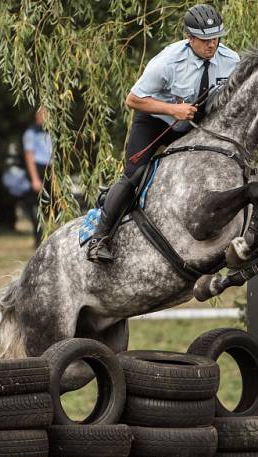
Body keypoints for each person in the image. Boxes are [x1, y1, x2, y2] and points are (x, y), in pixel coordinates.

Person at [86, 4, 240, 263]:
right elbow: (133, 100)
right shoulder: (168, 61)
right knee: (135, 174)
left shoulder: (232, 60)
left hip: (195, 125)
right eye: (205, 40)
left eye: (216, 38)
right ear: (190, 38)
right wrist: (173, 109)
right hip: (156, 121)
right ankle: (99, 238)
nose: (212, 45)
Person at [22, 106, 54, 247]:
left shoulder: (50, 133)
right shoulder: (30, 133)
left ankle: (49, 237)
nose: (46, 117)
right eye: (44, 114)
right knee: (37, 208)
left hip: (50, 169)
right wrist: (35, 179)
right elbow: (29, 156)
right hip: (38, 169)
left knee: (50, 206)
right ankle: (38, 239)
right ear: (38, 116)